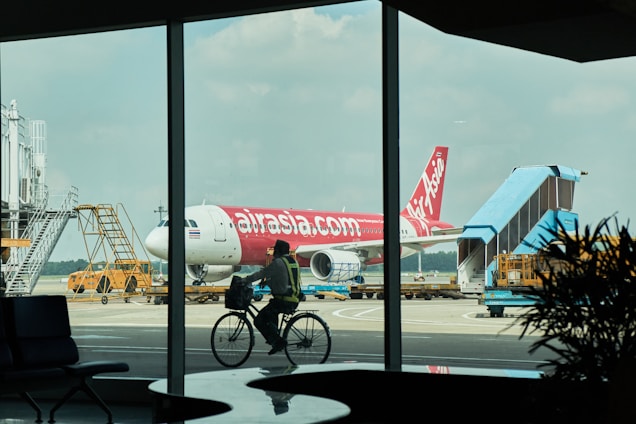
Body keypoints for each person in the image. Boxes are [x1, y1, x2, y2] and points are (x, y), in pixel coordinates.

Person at [240, 239, 302, 355]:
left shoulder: (278, 263)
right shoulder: (293, 262)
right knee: (271, 312)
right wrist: (267, 282)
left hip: (283, 300)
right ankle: (276, 339)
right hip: (293, 299)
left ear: (277, 251)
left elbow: (261, 274)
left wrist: (245, 280)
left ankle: (277, 341)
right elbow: (284, 279)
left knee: (258, 320)